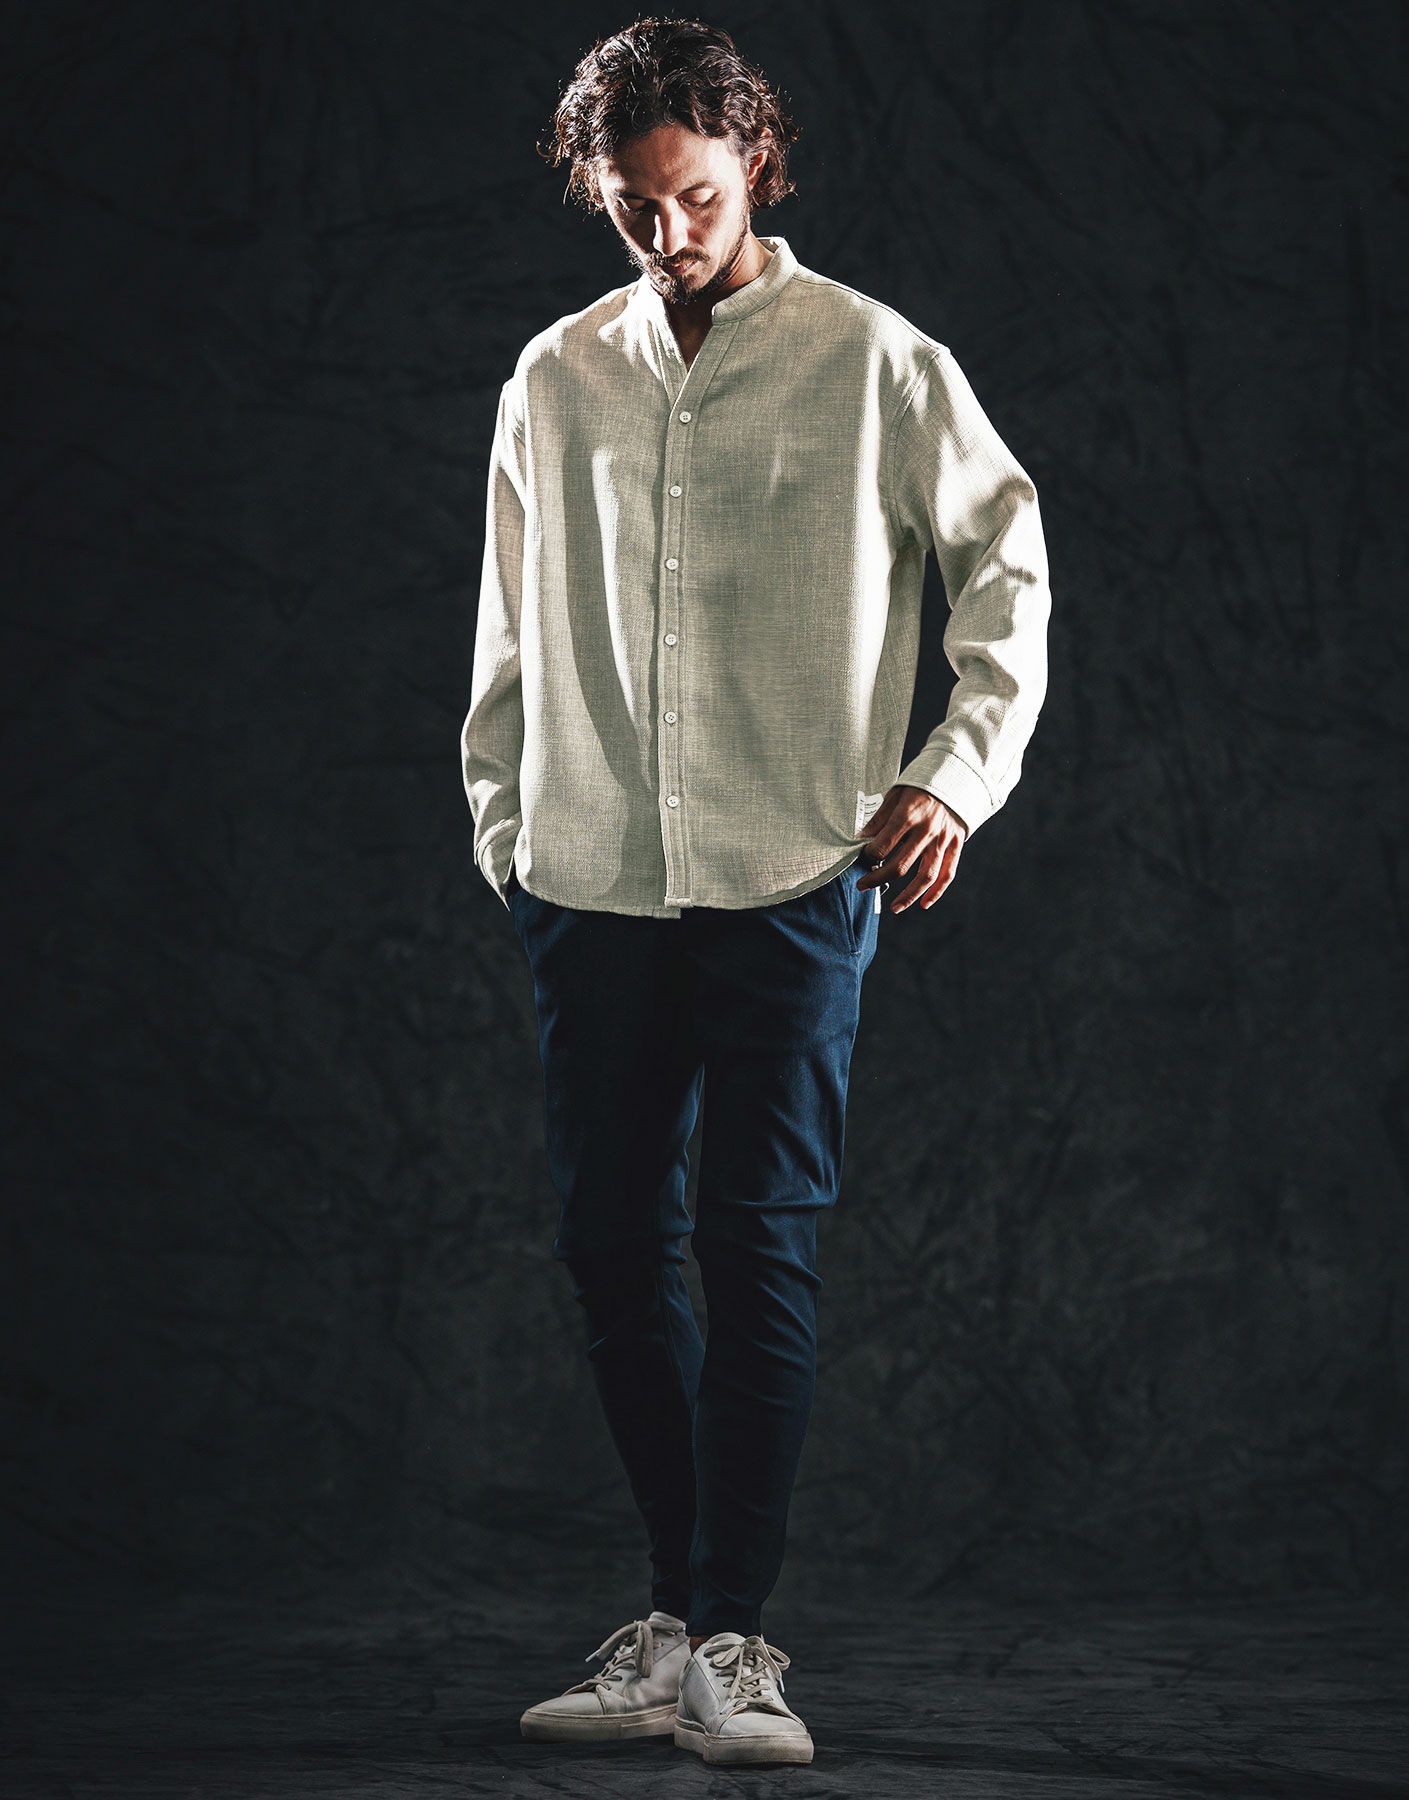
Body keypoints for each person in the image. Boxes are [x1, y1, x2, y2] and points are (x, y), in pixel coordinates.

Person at [460, 16, 1052, 1769]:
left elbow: (1006, 568)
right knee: (607, 1245)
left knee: (756, 1242)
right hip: (590, 875)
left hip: (794, 871)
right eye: (634, 209)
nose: (670, 236)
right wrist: (507, 828)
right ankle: (674, 1622)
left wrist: (951, 774)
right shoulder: (552, 376)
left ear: (755, 163)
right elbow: (506, 628)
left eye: (697, 199)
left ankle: (732, 1641)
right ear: (599, 194)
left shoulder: (875, 359)